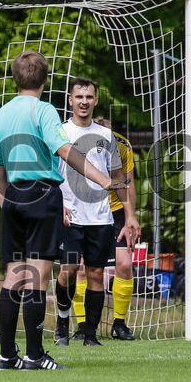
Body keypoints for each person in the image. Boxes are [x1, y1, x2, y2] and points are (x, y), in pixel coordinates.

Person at [0, 51, 121, 370]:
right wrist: (103, 179)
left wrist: (5, 201)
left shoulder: (1, 114)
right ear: (45, 81)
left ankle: (6, 355)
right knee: (38, 277)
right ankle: (34, 355)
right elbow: (65, 150)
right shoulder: (44, 110)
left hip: (14, 196)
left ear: (15, 79)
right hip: (43, 194)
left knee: (13, 275)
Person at [53, 79, 140, 347]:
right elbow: (49, 176)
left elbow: (118, 178)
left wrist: (129, 216)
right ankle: (62, 321)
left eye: (89, 97)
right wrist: (58, 205)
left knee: (95, 274)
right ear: (70, 100)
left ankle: (90, 335)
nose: (84, 101)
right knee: (67, 270)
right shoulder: (59, 132)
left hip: (100, 217)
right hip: (69, 216)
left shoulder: (107, 136)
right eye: (79, 96)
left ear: (96, 101)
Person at [68, 116, 139, 341]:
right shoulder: (73, 143)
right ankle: (82, 325)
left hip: (116, 209)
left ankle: (119, 323)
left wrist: (131, 216)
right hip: (86, 209)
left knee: (125, 264)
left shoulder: (122, 144)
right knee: (80, 269)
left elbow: (128, 184)